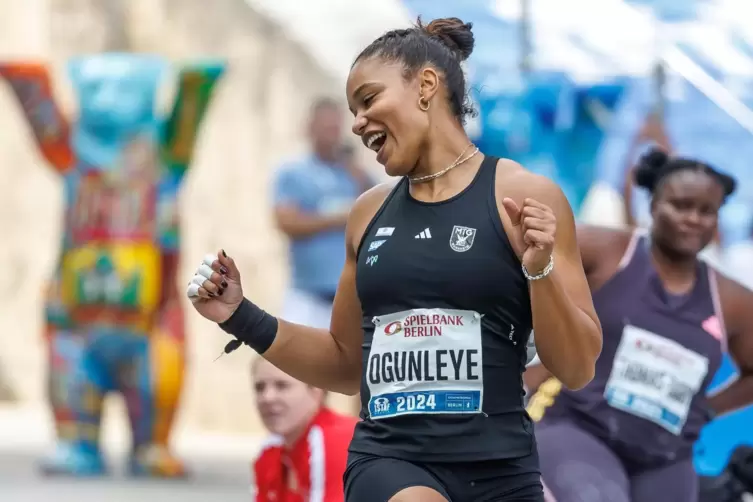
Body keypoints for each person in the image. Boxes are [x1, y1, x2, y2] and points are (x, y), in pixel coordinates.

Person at [188, 16, 602, 502]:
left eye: (368, 100)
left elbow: (576, 368)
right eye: (353, 110)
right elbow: (345, 365)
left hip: (502, 472)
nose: (357, 123)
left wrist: (540, 271)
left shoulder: (524, 196)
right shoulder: (368, 213)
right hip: (390, 462)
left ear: (426, 86)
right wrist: (240, 316)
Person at [525, 149, 753, 502]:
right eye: (680, 205)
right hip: (577, 428)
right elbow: (520, 258)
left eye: (706, 211)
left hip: (665, 457)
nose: (693, 219)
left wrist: (709, 408)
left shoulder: (732, 301)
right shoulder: (609, 251)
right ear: (653, 204)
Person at [272, 98, 373, 330]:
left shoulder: (353, 173)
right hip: (307, 296)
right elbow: (287, 223)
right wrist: (338, 219)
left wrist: (354, 169)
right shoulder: (293, 173)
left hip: (350, 301)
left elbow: (378, 211)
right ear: (310, 129)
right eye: (325, 128)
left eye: (335, 128)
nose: (331, 135)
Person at [251, 358, 357, 502]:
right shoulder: (270, 450)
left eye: (282, 386)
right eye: (259, 387)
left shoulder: (335, 440)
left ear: (316, 389)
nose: (267, 397)